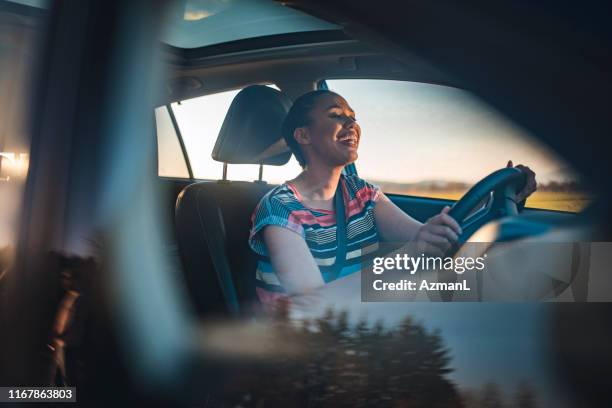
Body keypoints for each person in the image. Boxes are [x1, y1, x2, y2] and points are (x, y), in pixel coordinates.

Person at [248, 90, 537, 312]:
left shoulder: (361, 194)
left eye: (353, 117)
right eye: (337, 115)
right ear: (304, 135)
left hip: (362, 322)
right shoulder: (280, 208)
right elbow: (310, 305)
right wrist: (410, 254)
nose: (351, 122)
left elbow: (429, 239)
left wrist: (497, 201)